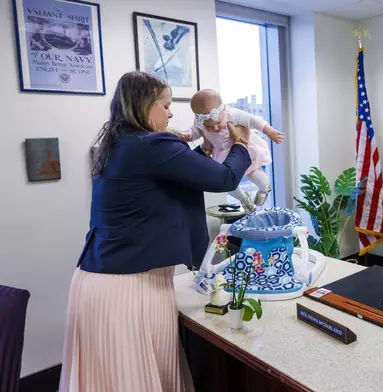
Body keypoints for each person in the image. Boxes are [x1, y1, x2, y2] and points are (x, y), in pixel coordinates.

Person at [58, 71, 252, 392]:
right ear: (144, 106)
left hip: (100, 281)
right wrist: (241, 142)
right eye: (165, 104)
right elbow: (223, 180)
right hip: (129, 289)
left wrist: (204, 147)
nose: (171, 112)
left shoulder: (120, 144)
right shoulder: (152, 145)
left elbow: (171, 172)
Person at [177, 89, 285, 212]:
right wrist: (188, 135)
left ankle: (264, 189)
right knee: (227, 184)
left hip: (243, 150)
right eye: (209, 127)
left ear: (223, 110)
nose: (215, 128)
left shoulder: (233, 114)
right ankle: (244, 199)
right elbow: (195, 132)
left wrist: (269, 131)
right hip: (222, 154)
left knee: (254, 175)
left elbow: (253, 120)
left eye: (218, 123)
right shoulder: (199, 122)